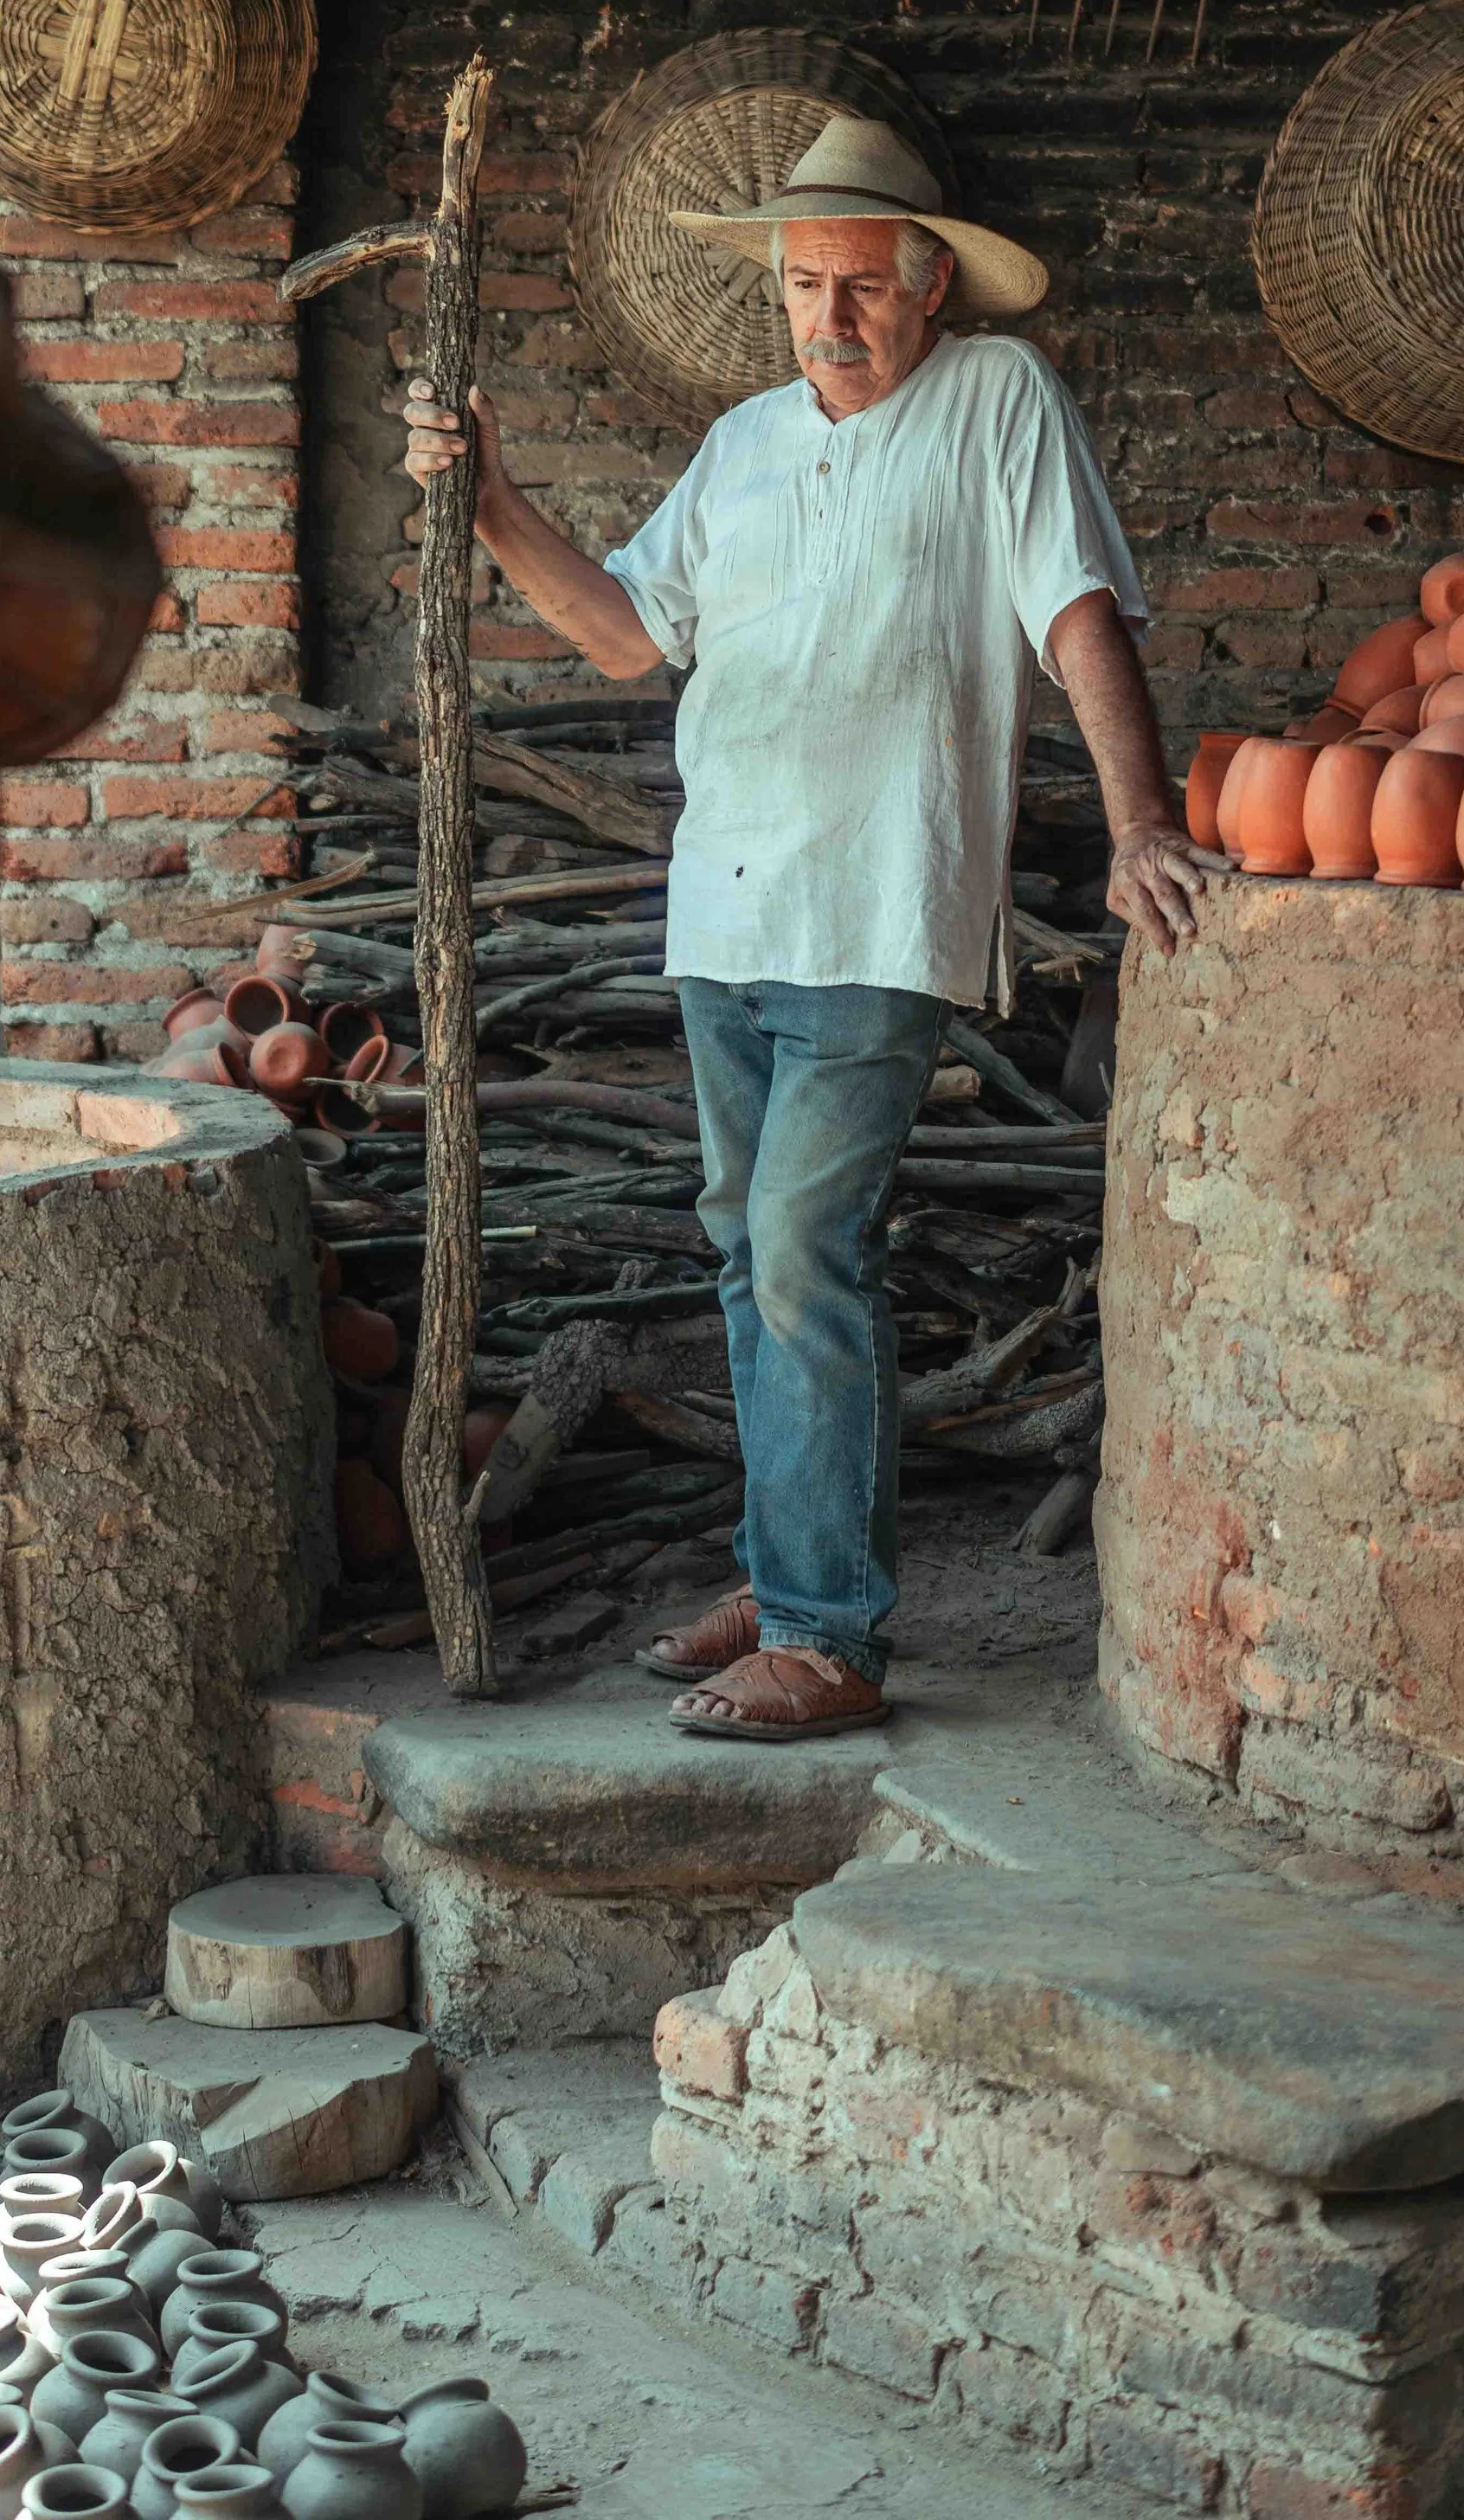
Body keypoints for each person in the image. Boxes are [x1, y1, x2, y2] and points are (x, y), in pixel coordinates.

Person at [401, 112, 1212, 1745]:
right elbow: (631, 634)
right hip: (729, 905)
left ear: (930, 289)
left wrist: (1141, 826)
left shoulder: (998, 402)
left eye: (857, 284)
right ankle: (784, 1581)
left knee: (799, 1246)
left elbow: (1079, 618)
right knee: (740, 1249)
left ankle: (833, 1634)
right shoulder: (745, 444)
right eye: (801, 285)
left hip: (879, 906)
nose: (828, 317)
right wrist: (491, 503)